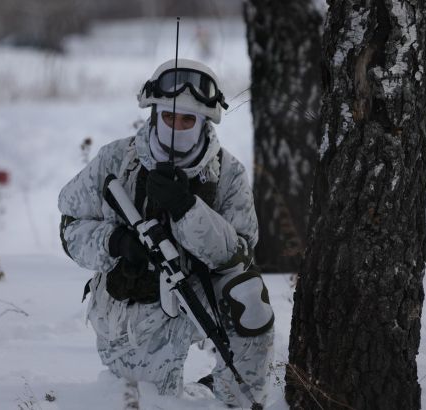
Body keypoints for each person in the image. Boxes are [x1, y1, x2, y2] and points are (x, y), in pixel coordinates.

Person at [58, 58, 274, 408]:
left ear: (204, 121)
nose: (176, 126)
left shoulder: (227, 174)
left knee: (248, 295)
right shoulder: (116, 159)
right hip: (130, 310)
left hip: (199, 294)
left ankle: (237, 400)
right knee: (148, 400)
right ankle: (189, 392)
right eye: (169, 116)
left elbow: (239, 252)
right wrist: (116, 242)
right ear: (154, 113)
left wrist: (187, 209)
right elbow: (70, 228)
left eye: (187, 119)